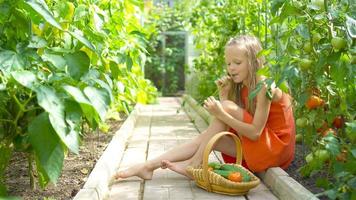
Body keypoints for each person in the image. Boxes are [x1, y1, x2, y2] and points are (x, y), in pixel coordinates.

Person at [115, 35, 295, 180]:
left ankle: (193, 164)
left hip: (276, 150)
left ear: (254, 62)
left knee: (226, 110)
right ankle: (149, 166)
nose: (231, 68)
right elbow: (230, 124)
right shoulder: (244, 86)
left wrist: (223, 111)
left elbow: (255, 132)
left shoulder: (264, 87)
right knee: (207, 139)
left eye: (237, 63)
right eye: (228, 63)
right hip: (263, 145)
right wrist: (224, 97)